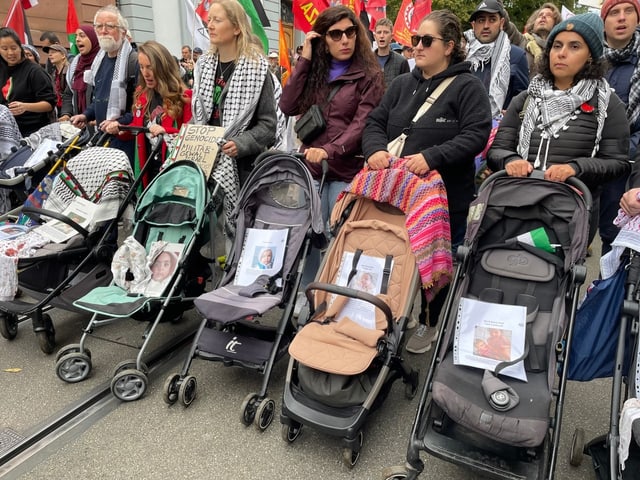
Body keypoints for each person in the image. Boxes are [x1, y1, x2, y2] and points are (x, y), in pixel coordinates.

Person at [363, 10, 492, 354]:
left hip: (446, 198)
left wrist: (431, 157)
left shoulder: (468, 87)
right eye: (415, 40)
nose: (417, 46)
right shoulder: (403, 84)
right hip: (398, 194)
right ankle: (388, 313)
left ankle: (431, 321)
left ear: (449, 46)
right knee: (394, 257)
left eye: (426, 40)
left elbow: (476, 135)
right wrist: (375, 149)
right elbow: (375, 121)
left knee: (436, 265)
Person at [487, 13, 631, 243]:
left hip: (567, 216)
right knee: (502, 270)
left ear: (591, 57)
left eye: (575, 46)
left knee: (548, 274)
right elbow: (498, 149)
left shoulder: (607, 104)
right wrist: (510, 161)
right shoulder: (525, 98)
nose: (561, 53)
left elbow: (617, 162)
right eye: (557, 46)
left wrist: (575, 168)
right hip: (515, 206)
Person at [280, 5, 384, 225]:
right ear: (324, 41)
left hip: (345, 170)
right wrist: (305, 60)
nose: (344, 39)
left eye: (350, 32)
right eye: (336, 34)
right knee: (304, 236)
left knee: (334, 236)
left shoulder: (370, 75)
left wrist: (328, 151)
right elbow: (288, 106)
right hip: (310, 166)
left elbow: (361, 124)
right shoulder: (314, 70)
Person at [191, 0, 276, 237]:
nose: (210, 25)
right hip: (205, 163)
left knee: (239, 236)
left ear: (237, 27)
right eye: (209, 20)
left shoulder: (257, 69)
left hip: (242, 168)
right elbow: (198, 118)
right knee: (204, 235)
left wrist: (241, 144)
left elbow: (269, 126)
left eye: (217, 20)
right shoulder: (204, 66)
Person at [103, 41, 192, 188]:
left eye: (150, 67)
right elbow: (137, 128)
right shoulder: (142, 95)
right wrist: (119, 128)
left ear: (163, 67)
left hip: (173, 173)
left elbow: (190, 137)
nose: (145, 73)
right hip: (147, 169)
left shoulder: (185, 97)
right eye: (142, 67)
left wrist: (166, 131)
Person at [70, 5, 138, 162]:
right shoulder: (98, 61)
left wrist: (120, 122)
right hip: (103, 138)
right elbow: (99, 99)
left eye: (109, 26)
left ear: (122, 31)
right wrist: (85, 115)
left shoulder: (133, 61)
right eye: (99, 26)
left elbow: (141, 107)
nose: (103, 31)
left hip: (128, 141)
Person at [598, 0, 640, 256]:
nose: (621, 18)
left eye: (629, 11)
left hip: (627, 165)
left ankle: (605, 293)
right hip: (583, 160)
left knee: (613, 239)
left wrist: (619, 152)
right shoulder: (588, 57)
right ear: (604, 20)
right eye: (614, 12)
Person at [465, 0, 529, 118]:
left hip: (497, 130)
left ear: (501, 23)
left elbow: (524, 99)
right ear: (473, 25)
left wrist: (511, 115)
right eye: (481, 20)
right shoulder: (463, 55)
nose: (486, 26)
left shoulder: (516, 56)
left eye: (492, 19)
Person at [0, 28, 56, 136]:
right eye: (4, 49)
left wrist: (25, 106)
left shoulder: (34, 71)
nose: (10, 53)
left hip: (33, 134)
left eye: (13, 48)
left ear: (20, 48)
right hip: (6, 133)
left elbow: (49, 104)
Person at [503, 2, 562, 76]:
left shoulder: (559, 50)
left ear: (556, 24)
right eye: (540, 15)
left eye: (549, 15)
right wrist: (498, 5)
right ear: (534, 22)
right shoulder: (522, 40)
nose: (543, 16)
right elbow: (505, 24)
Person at [59, 25, 100, 121]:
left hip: (98, 123)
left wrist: (91, 116)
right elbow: (68, 94)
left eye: (82, 36)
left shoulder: (102, 62)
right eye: (76, 36)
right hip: (79, 123)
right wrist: (66, 114)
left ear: (93, 38)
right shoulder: (75, 64)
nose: (77, 40)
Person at [373, 18, 410, 89]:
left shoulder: (401, 61)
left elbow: (406, 88)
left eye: (386, 32)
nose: (382, 36)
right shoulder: (367, 61)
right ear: (375, 37)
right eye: (379, 32)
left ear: (391, 37)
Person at [44, 44, 69, 118]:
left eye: (53, 52)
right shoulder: (54, 73)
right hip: (58, 108)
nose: (50, 55)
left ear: (63, 55)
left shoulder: (69, 71)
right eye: (49, 53)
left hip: (68, 110)